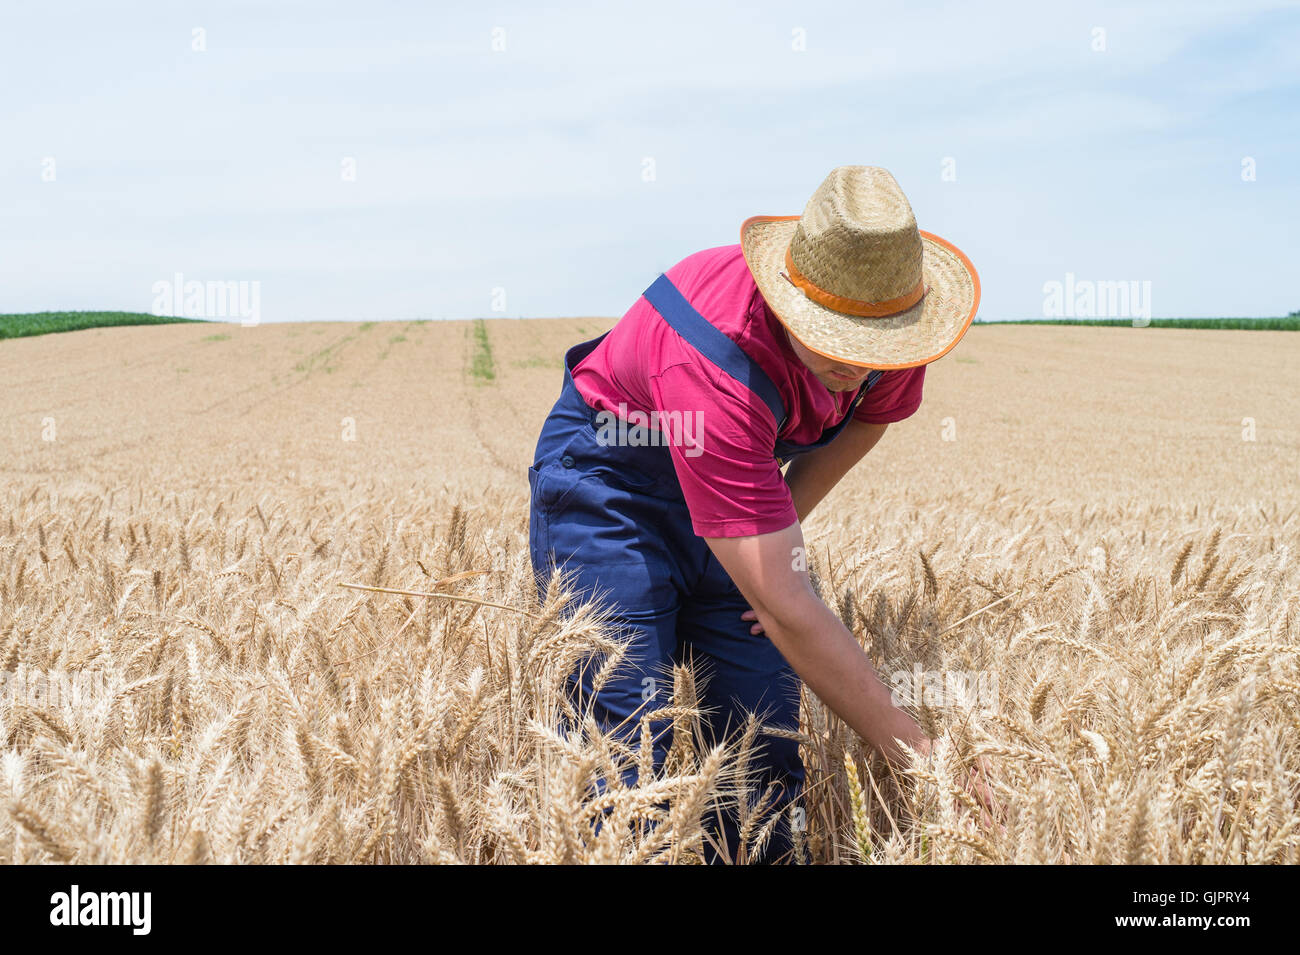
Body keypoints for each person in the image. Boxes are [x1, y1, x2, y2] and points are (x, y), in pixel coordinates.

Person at [527, 165, 994, 863]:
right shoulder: (714, 362)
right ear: (789, 305)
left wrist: (771, 537)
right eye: (837, 345)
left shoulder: (886, 317)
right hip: (612, 485)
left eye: (875, 353)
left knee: (763, 758)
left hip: (731, 481)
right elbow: (784, 607)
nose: (860, 368)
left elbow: (872, 417)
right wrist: (922, 756)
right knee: (624, 756)